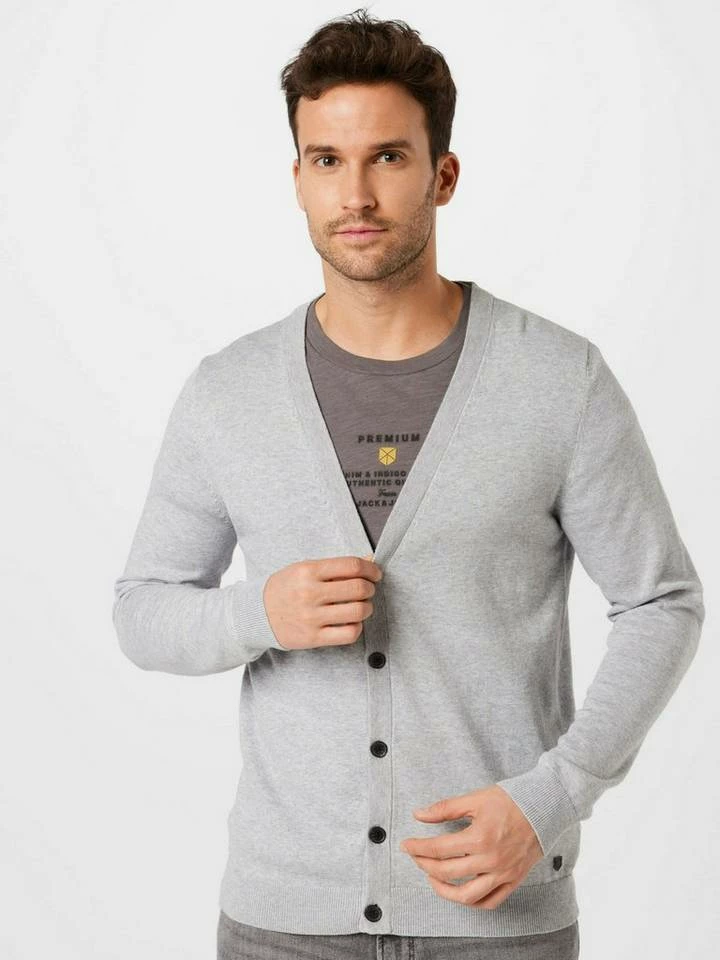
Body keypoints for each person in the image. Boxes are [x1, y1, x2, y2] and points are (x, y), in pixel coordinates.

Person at [113, 9, 703, 960]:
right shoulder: (229, 393)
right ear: (298, 179)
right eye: (327, 160)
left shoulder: (558, 380)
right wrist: (260, 611)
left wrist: (553, 798)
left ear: (443, 175)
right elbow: (143, 609)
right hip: (284, 922)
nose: (356, 194)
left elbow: (661, 601)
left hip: (497, 920)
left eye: (388, 157)